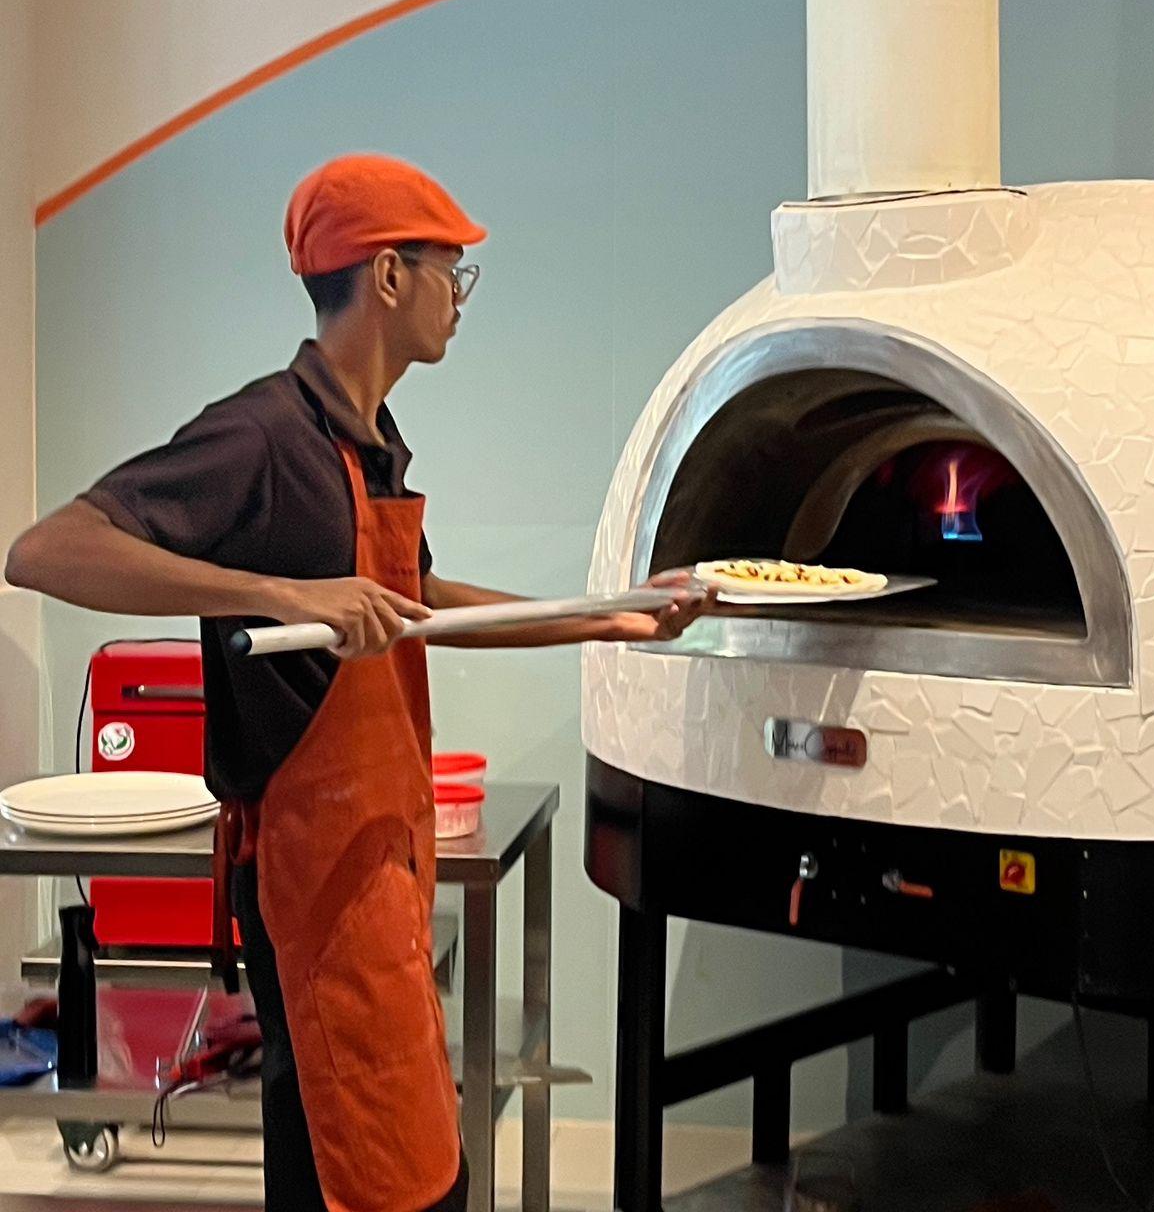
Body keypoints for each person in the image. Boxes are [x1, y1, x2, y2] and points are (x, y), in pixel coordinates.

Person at [5, 154, 710, 1212]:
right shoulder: (264, 437)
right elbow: (48, 549)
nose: (457, 298)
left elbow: (419, 602)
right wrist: (277, 594)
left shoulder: (370, 444)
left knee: (377, 1161)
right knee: (362, 1174)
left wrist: (613, 613)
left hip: (380, 868)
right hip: (312, 882)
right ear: (387, 276)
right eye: (449, 271)